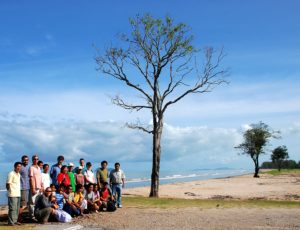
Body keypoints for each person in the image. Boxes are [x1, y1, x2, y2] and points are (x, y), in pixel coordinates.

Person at [6, 162, 22, 226]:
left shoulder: (18, 174)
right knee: (12, 208)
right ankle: (10, 222)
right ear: (15, 167)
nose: (19, 168)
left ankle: (15, 221)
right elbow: (7, 184)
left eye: (20, 167)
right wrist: (10, 192)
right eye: (18, 166)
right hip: (12, 194)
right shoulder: (11, 173)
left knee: (17, 209)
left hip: (18, 193)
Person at [29, 154, 43, 219]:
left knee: (38, 202)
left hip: (39, 187)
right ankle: (32, 216)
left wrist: (42, 186)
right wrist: (33, 188)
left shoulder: (39, 168)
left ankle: (37, 215)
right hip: (34, 187)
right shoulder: (31, 168)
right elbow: (31, 178)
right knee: (32, 203)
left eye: (37, 159)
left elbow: (40, 178)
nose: (36, 160)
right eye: (34, 159)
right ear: (32, 160)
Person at [19, 155, 30, 222]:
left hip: (28, 188)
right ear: (22, 160)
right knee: (23, 205)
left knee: (25, 204)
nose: (26, 161)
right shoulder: (20, 167)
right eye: (24, 160)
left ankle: (20, 217)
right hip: (22, 188)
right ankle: (19, 218)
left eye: (27, 160)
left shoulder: (28, 167)